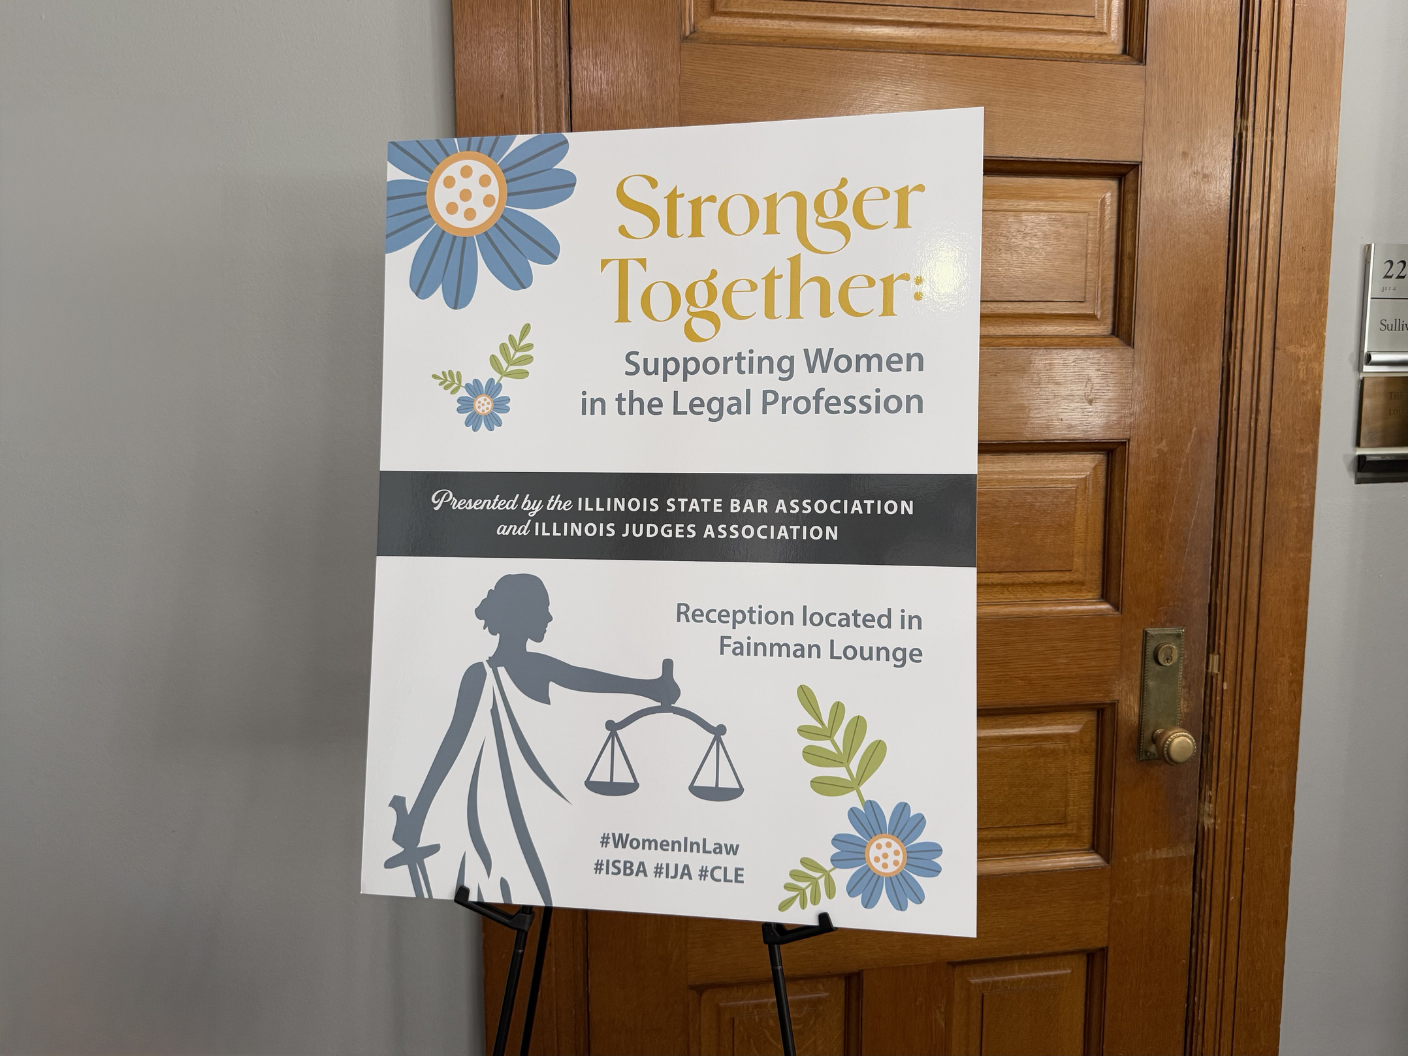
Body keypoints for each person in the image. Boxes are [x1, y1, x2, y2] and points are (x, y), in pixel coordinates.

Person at [385, 573, 679, 903]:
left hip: (548, 809)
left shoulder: (533, 667)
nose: (549, 617)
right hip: (506, 814)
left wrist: (649, 688)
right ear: (520, 614)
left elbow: (587, 680)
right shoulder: (484, 675)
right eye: (543, 609)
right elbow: (450, 747)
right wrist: (417, 817)